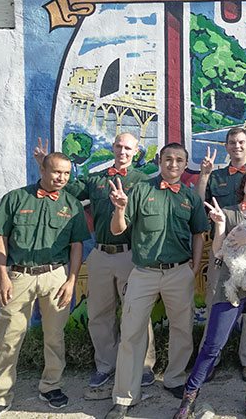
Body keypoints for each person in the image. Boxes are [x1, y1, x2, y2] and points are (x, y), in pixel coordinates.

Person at [33, 134, 157, 389]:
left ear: (135, 151)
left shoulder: (144, 181)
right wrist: (43, 164)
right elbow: (63, 188)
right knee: (99, 314)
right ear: (112, 148)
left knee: (137, 312)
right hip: (100, 255)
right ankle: (105, 365)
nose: (122, 151)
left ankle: (143, 366)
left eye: (128, 148)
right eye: (118, 146)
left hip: (130, 254)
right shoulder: (96, 179)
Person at [0, 152, 88, 418]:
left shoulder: (72, 205)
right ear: (43, 170)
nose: (61, 177)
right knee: (8, 337)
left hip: (56, 277)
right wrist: (2, 276)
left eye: (66, 173)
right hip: (19, 276)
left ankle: (51, 386)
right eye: (56, 172)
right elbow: (0, 239)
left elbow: (77, 246)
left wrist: (71, 281)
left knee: (54, 336)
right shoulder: (15, 199)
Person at [106, 143, 209, 419]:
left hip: (179, 272)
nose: (173, 165)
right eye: (167, 159)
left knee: (182, 329)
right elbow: (118, 230)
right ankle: (125, 396)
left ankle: (175, 378)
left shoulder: (190, 197)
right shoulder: (140, 190)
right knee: (131, 332)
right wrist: (119, 209)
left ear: (185, 164)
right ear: (159, 161)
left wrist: (195, 265)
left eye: (178, 160)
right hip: (144, 273)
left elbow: (199, 232)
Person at [174, 166, 246, 418]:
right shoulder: (228, 213)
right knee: (213, 344)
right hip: (230, 285)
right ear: (244, 183)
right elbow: (218, 252)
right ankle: (189, 397)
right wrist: (221, 226)